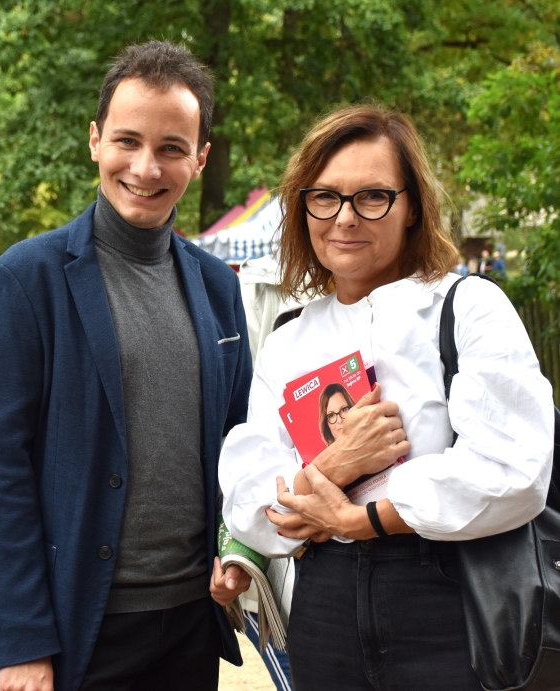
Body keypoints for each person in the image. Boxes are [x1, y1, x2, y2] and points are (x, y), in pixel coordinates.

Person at [218, 104, 554, 690]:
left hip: (447, 593)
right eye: (325, 198)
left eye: (372, 197)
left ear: (413, 207)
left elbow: (513, 471)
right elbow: (253, 507)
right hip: (324, 606)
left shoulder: (467, 308)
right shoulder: (288, 341)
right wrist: (339, 463)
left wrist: (360, 518)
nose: (345, 218)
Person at [0, 40, 253, 691]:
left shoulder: (218, 287)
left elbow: (240, 447)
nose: (146, 167)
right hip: (79, 630)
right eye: (127, 141)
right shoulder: (25, 280)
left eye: (172, 148)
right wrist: (21, 640)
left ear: (200, 158)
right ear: (95, 140)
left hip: (190, 624)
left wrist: (239, 552)